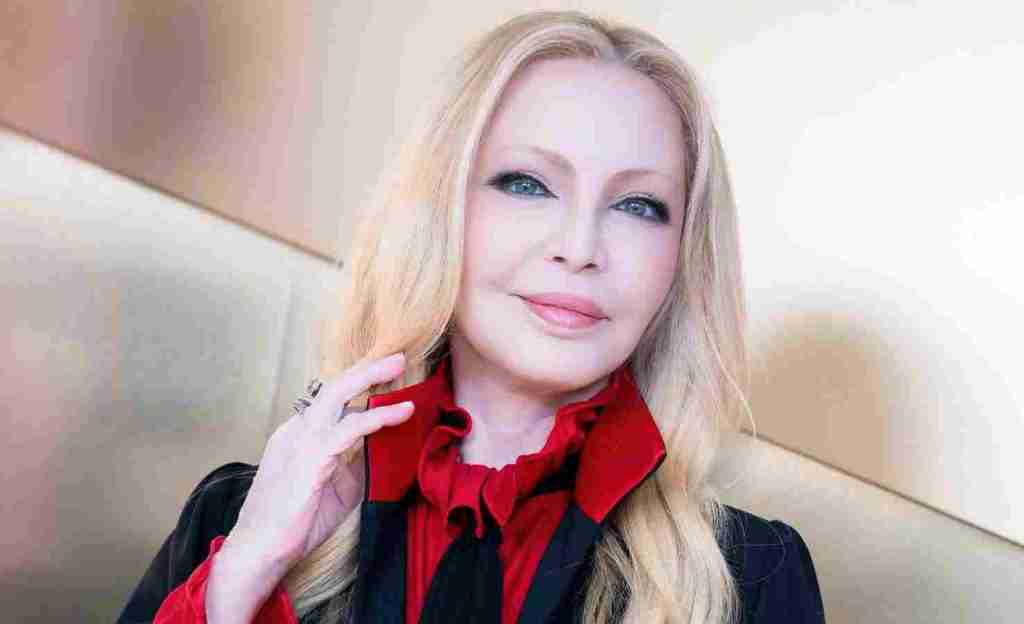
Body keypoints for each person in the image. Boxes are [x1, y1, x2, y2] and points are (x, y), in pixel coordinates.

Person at [116, 9, 825, 624]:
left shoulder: (752, 580)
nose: (580, 248)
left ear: (679, 260)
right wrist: (242, 580)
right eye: (528, 184)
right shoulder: (237, 521)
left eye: (638, 205)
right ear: (443, 211)